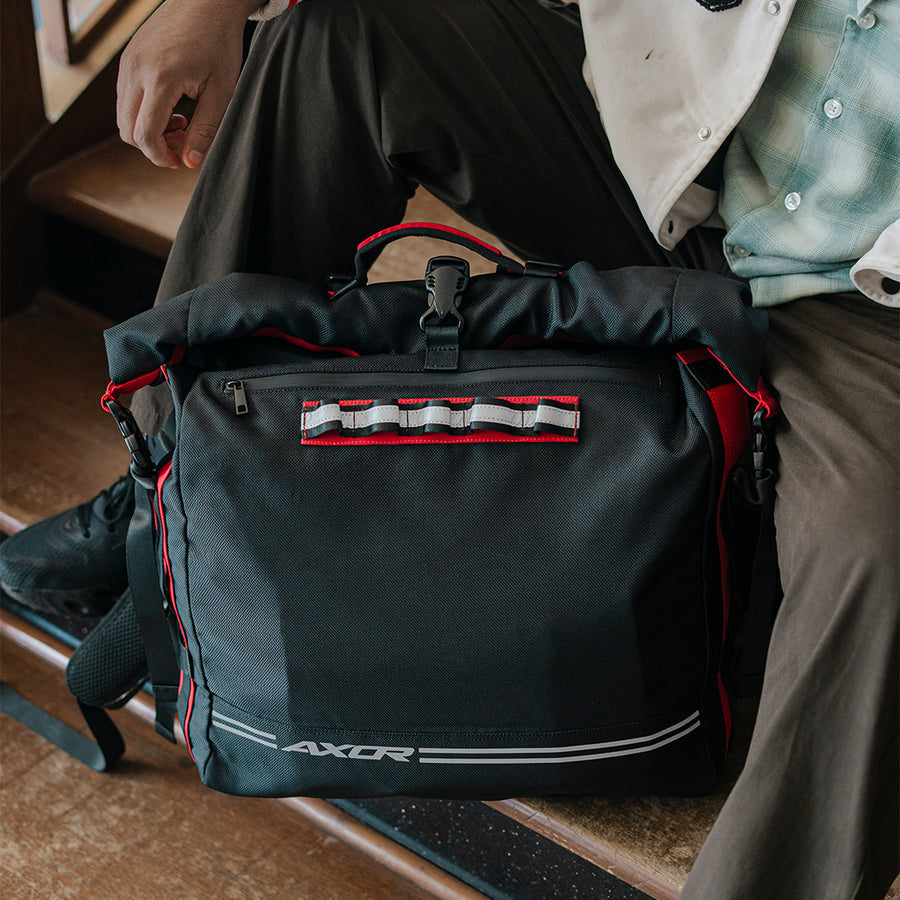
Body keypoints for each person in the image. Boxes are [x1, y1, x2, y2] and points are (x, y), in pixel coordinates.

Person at [2, 0, 897, 896]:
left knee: (878, 552)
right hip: (691, 166)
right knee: (349, 30)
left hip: (861, 305)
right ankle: (170, 486)